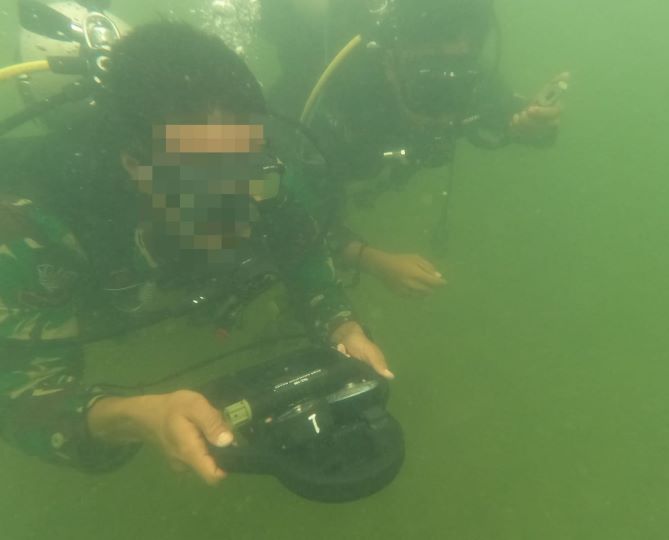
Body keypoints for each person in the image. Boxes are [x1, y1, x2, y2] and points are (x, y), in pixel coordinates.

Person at [0, 21, 391, 485]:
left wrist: (339, 322)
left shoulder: (264, 172)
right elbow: (22, 397)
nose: (237, 194)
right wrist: (134, 415)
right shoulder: (32, 227)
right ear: (135, 164)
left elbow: (302, 247)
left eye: (245, 157)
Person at [257, 0, 568, 296]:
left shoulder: (467, 75)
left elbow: (507, 114)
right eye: (429, 89)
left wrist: (535, 127)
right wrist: (370, 259)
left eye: (456, 89)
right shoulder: (332, 93)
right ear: (390, 61)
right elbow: (278, 208)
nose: (444, 114)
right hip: (314, 167)